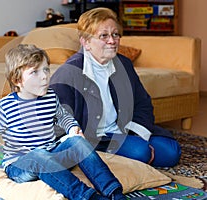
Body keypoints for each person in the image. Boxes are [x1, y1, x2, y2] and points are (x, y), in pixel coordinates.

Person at [0, 44, 126, 200]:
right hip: (19, 166)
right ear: (17, 80)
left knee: (77, 142)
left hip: (51, 155)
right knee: (38, 155)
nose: (44, 76)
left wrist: (72, 128)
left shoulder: (50, 96)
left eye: (46, 69)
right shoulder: (5, 106)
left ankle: (113, 192)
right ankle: (86, 196)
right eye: (35, 72)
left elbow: (63, 116)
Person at [50, 7, 181, 168]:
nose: (112, 41)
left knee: (171, 152)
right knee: (141, 152)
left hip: (123, 131)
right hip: (92, 138)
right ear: (86, 42)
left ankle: (122, 157)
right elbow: (56, 117)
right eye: (104, 36)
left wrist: (135, 135)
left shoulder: (124, 64)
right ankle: (108, 157)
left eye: (115, 34)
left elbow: (143, 103)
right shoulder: (68, 72)